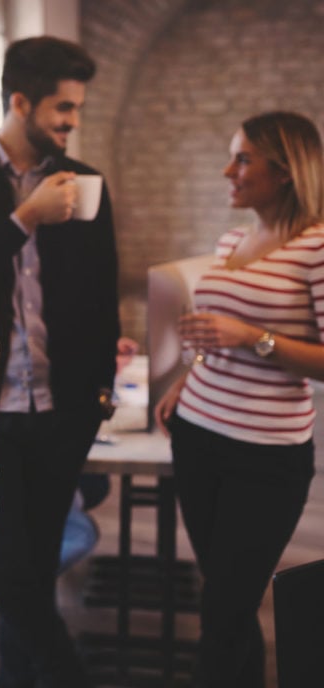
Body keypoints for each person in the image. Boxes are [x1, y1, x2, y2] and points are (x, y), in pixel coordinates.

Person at [0, 35, 120, 687]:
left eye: (75, 111)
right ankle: (70, 676)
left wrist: (98, 397)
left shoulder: (85, 182)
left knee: (33, 570)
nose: (70, 124)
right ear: (19, 101)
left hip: (62, 414)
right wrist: (25, 218)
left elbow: (102, 294)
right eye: (62, 110)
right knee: (4, 569)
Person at [154, 111, 324, 688]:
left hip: (266, 455)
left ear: (285, 171)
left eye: (243, 158)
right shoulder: (233, 239)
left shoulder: (317, 247)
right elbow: (217, 338)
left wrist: (255, 338)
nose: (229, 170)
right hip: (199, 436)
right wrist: (187, 378)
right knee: (229, 599)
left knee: (224, 609)